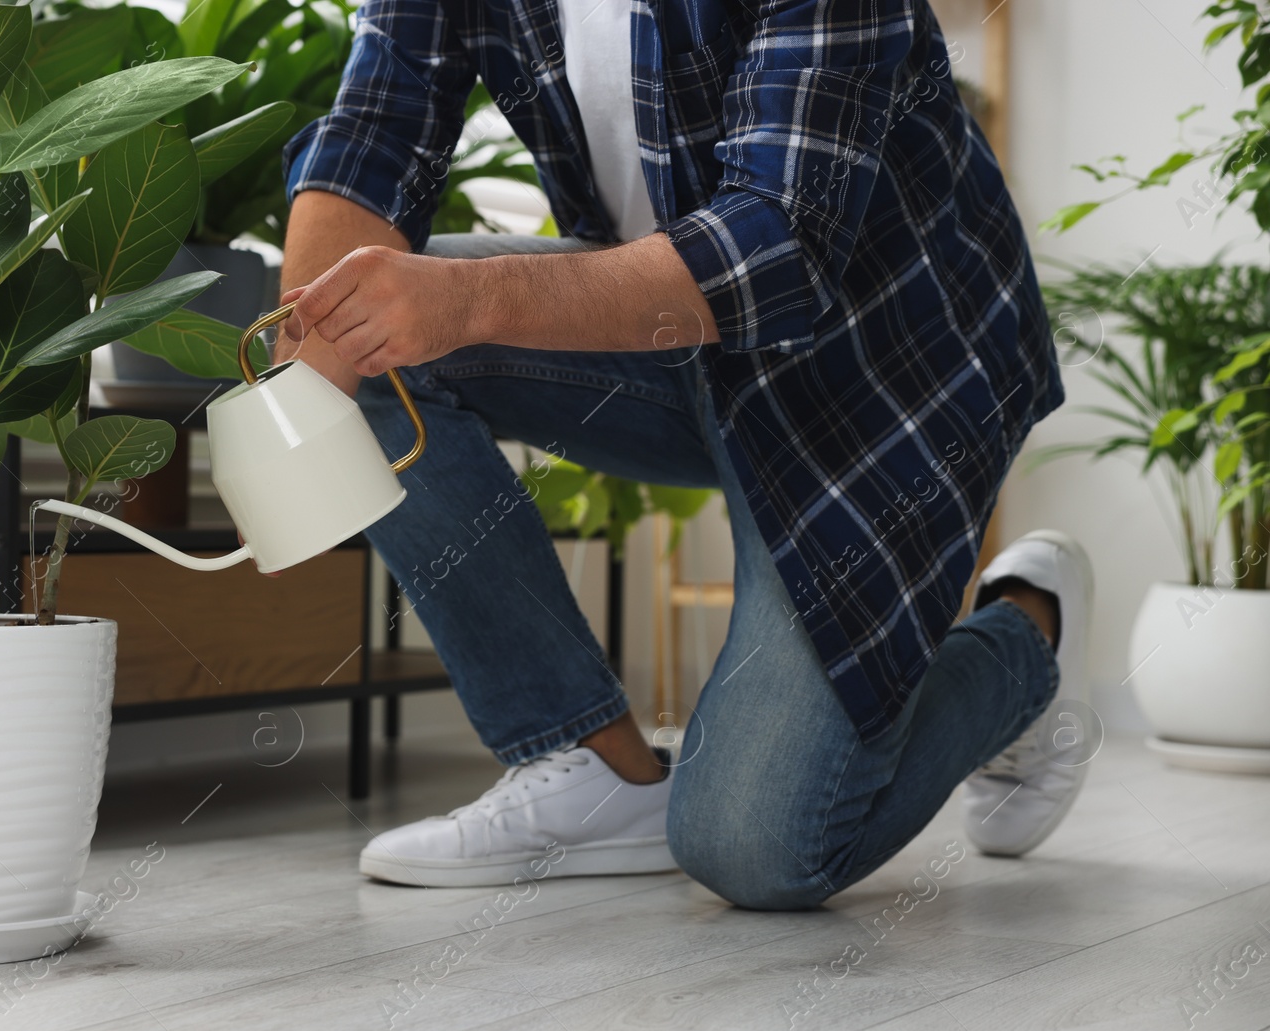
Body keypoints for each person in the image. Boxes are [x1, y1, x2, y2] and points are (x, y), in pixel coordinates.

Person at [272, 0, 1093, 908]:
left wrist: (467, 303)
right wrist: (304, 387)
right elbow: (372, 134)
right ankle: (592, 766)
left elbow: (778, 243)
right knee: (368, 353)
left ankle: (1029, 629)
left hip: (888, 374)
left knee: (757, 849)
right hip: (680, 343)